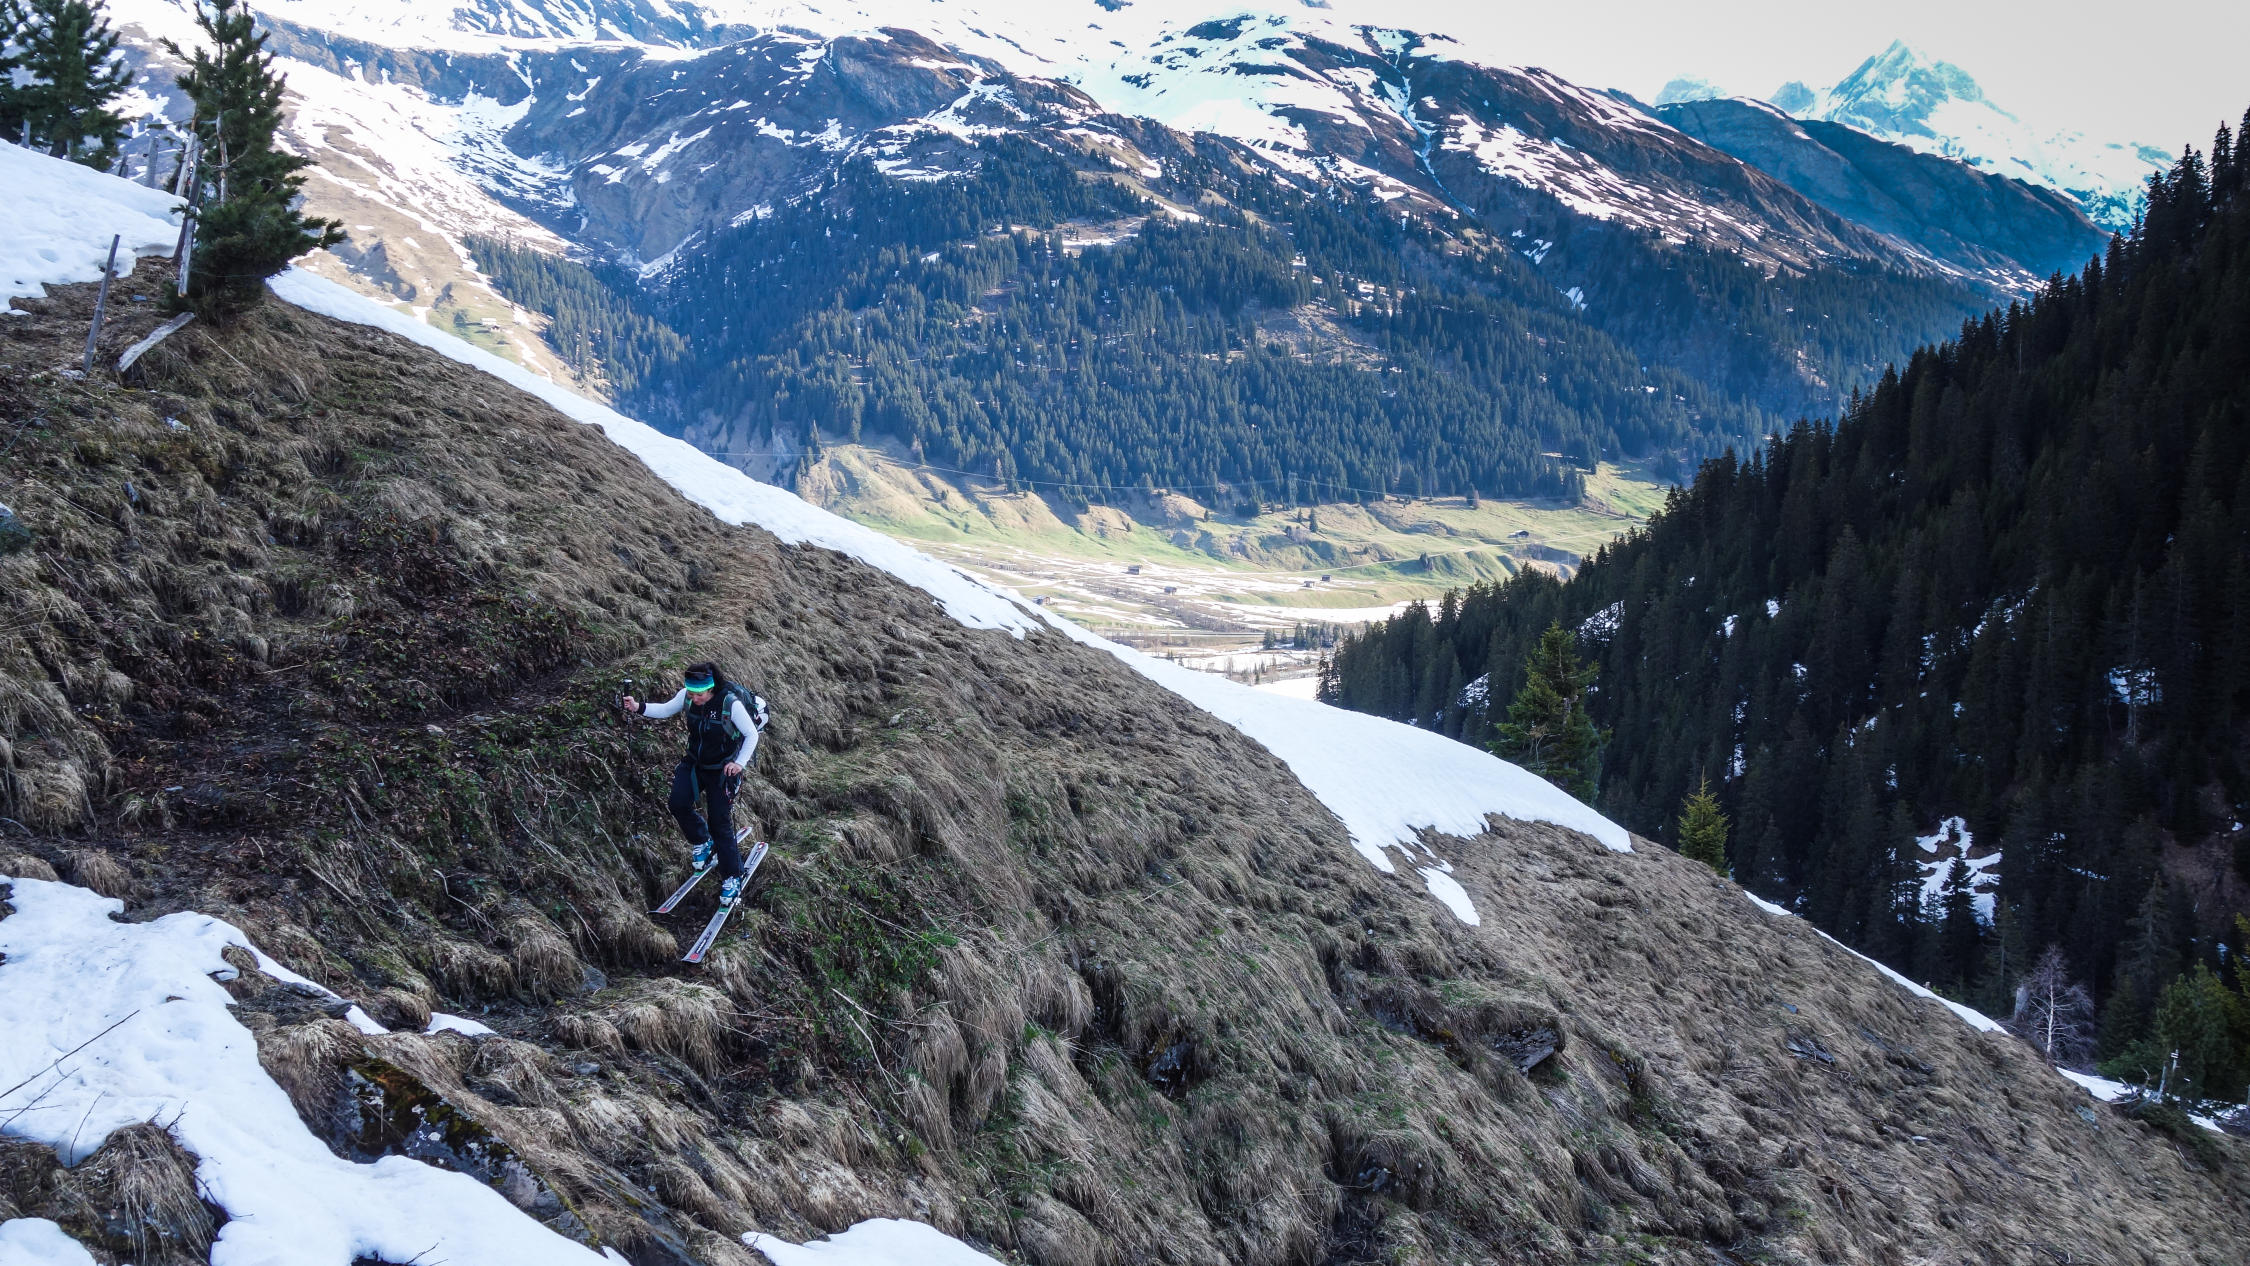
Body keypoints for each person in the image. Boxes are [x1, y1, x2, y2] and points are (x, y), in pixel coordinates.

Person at [620, 662, 761, 903]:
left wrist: (739, 763)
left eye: (700, 694)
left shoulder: (730, 704)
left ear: (711, 688)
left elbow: (751, 734)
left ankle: (732, 876)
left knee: (719, 823)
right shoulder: (687, 695)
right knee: (677, 803)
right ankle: (702, 841)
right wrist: (637, 707)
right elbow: (666, 709)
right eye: (692, 693)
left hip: (722, 770)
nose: (694, 698)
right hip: (694, 763)